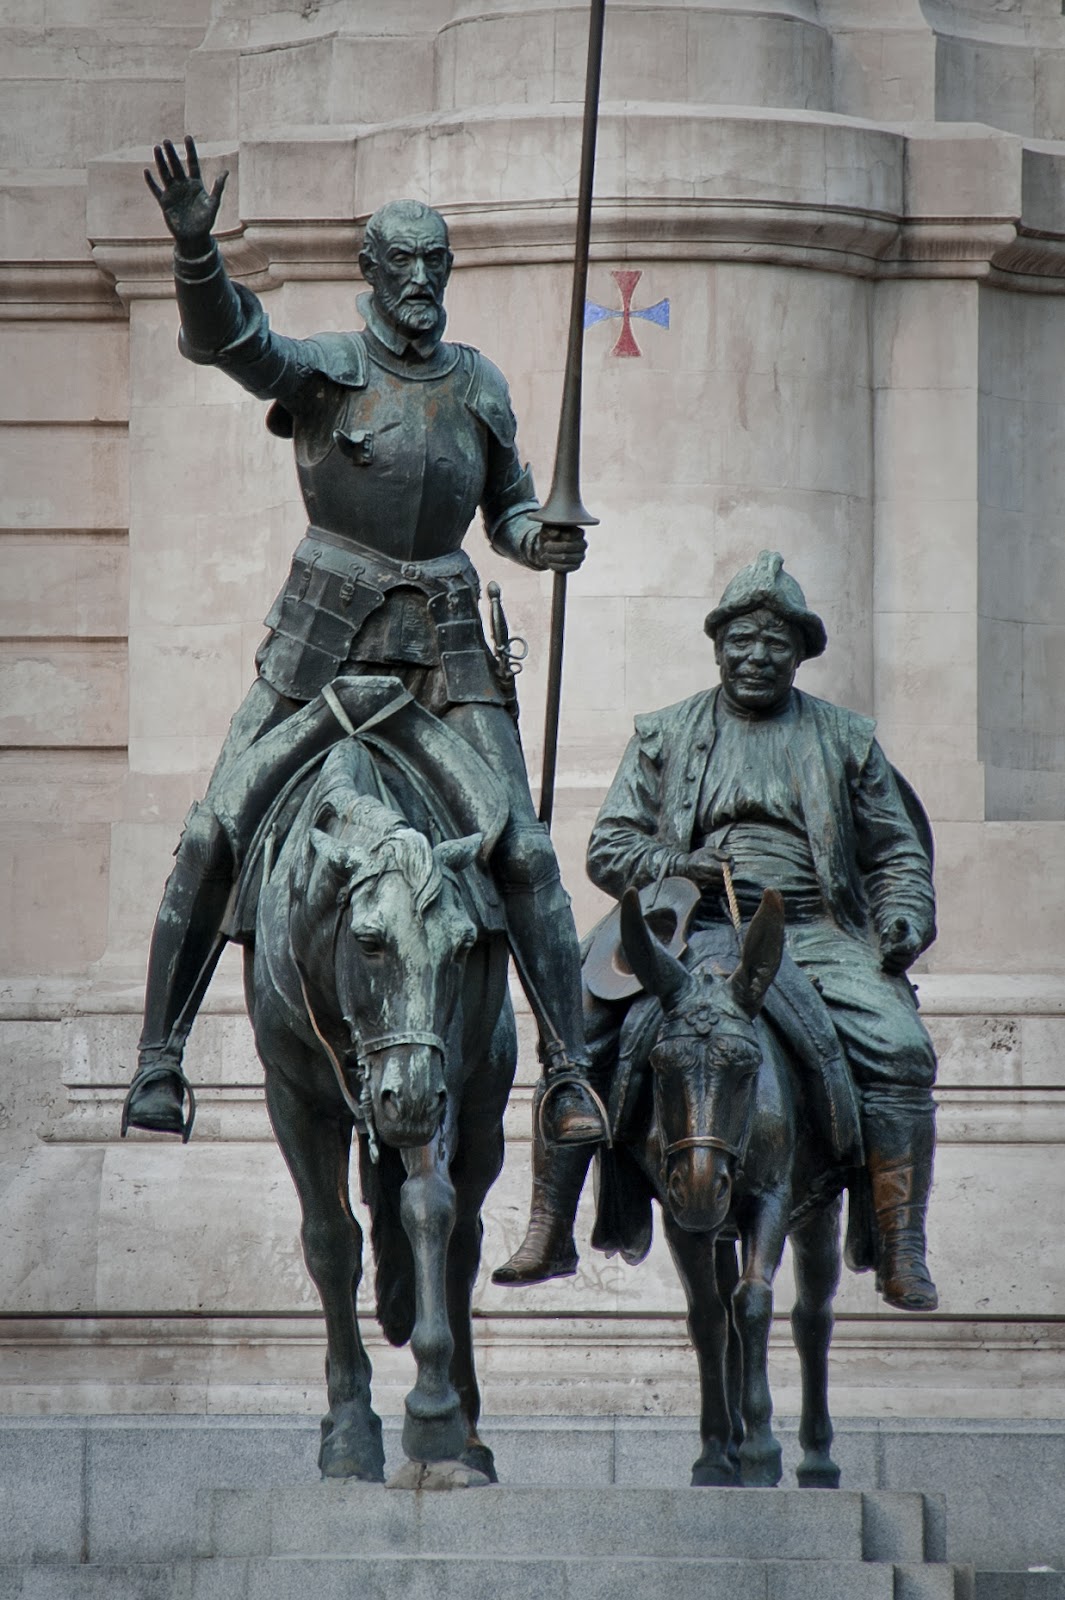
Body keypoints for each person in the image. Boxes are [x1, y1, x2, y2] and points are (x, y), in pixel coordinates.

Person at [122, 137, 603, 1147]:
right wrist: (197, 256)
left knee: (521, 847)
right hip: (318, 650)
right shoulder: (329, 372)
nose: (423, 281)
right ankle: (159, 1059)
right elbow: (235, 344)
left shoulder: (479, 385)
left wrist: (539, 537)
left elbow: (506, 512)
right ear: (372, 275)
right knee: (213, 829)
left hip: (450, 656)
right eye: (404, 265)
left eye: (438, 265)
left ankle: (568, 1071)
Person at [494, 550, 940, 1311]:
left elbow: (897, 852)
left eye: (775, 642)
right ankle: (549, 1224)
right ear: (718, 646)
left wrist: (902, 916)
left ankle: (899, 1242)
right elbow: (608, 847)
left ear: (799, 654)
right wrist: (679, 863)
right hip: (684, 929)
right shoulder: (664, 734)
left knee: (900, 1049)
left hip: (813, 932)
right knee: (580, 1031)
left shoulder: (846, 738)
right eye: (742, 640)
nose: (757, 656)